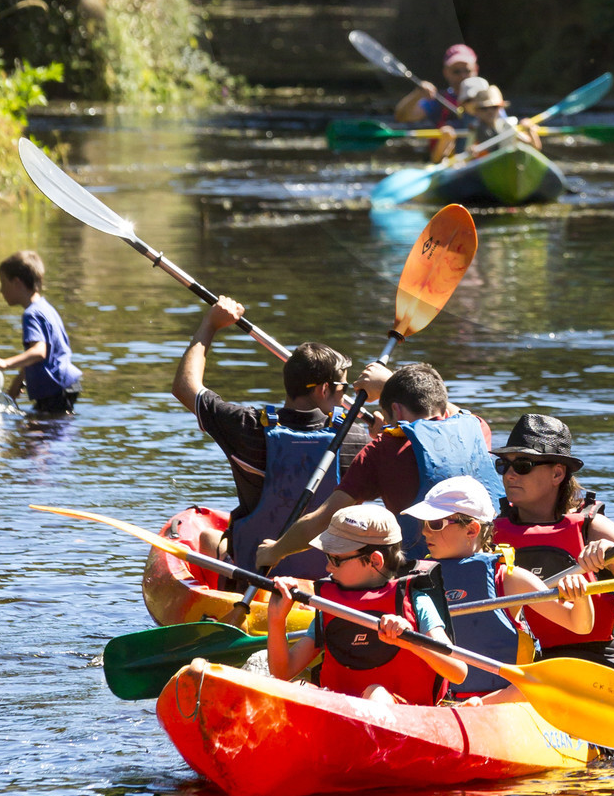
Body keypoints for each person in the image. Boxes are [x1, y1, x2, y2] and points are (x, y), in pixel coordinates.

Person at [170, 300, 361, 575]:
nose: (347, 396)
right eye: (344, 387)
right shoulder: (354, 438)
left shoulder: (246, 427)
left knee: (208, 538)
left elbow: (185, 387)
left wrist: (209, 324)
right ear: (324, 389)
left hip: (254, 571)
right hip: (329, 576)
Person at [259, 359, 500, 570]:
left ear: (395, 409)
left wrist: (275, 551)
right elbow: (449, 411)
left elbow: (323, 519)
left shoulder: (382, 449)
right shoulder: (478, 428)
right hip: (485, 565)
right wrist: (390, 382)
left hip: (423, 575)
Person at [491, 411, 614, 671]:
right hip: (519, 659)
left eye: (523, 465)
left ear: (557, 474)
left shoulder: (591, 527)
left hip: (595, 658)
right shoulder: (491, 533)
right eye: (503, 465)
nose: (509, 475)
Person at [400, 474, 594, 698]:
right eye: (425, 524)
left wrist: (581, 595)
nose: (425, 532)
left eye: (435, 524)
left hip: (502, 699)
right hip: (444, 699)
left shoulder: (510, 579)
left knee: (543, 681)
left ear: (471, 530)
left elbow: (579, 625)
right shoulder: (419, 579)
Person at [266, 503, 466, 706]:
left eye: (335, 559)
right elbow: (283, 673)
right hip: (341, 716)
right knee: (299, 688)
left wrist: (411, 641)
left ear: (375, 561)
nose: (327, 567)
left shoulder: (416, 602)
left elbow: (458, 671)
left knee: (376, 693)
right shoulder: (330, 604)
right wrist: (276, 619)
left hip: (403, 720)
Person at [0, 251, 82, 415]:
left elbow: (38, 352)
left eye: (3, 283)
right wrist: (12, 392)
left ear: (17, 283)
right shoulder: (45, 308)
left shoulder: (31, 314)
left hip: (55, 387)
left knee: (38, 434)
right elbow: (33, 360)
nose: (1, 290)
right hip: (65, 383)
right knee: (42, 426)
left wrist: (5, 363)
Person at [393, 41, 478, 127]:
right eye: (456, 71)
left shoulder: (488, 97)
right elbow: (401, 117)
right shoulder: (439, 101)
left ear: (476, 69)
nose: (462, 76)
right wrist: (417, 94)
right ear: (446, 72)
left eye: (467, 70)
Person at [463, 79, 541, 152]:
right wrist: (471, 151)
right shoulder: (474, 129)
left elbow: (534, 148)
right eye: (484, 108)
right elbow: (466, 158)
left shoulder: (507, 126)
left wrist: (529, 130)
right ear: (477, 111)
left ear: (500, 108)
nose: (490, 111)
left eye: (494, 107)